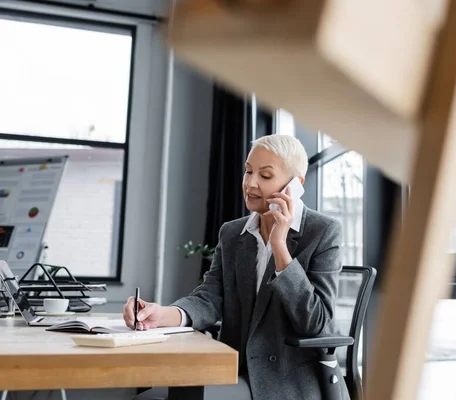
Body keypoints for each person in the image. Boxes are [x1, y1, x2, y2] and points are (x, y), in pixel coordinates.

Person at [124, 135, 350, 400]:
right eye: (248, 171)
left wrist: (280, 246)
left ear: (294, 186)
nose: (250, 183)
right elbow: (209, 296)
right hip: (232, 368)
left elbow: (316, 323)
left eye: (265, 176)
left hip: (286, 381)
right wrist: (161, 314)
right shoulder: (233, 233)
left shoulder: (323, 232)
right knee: (146, 397)